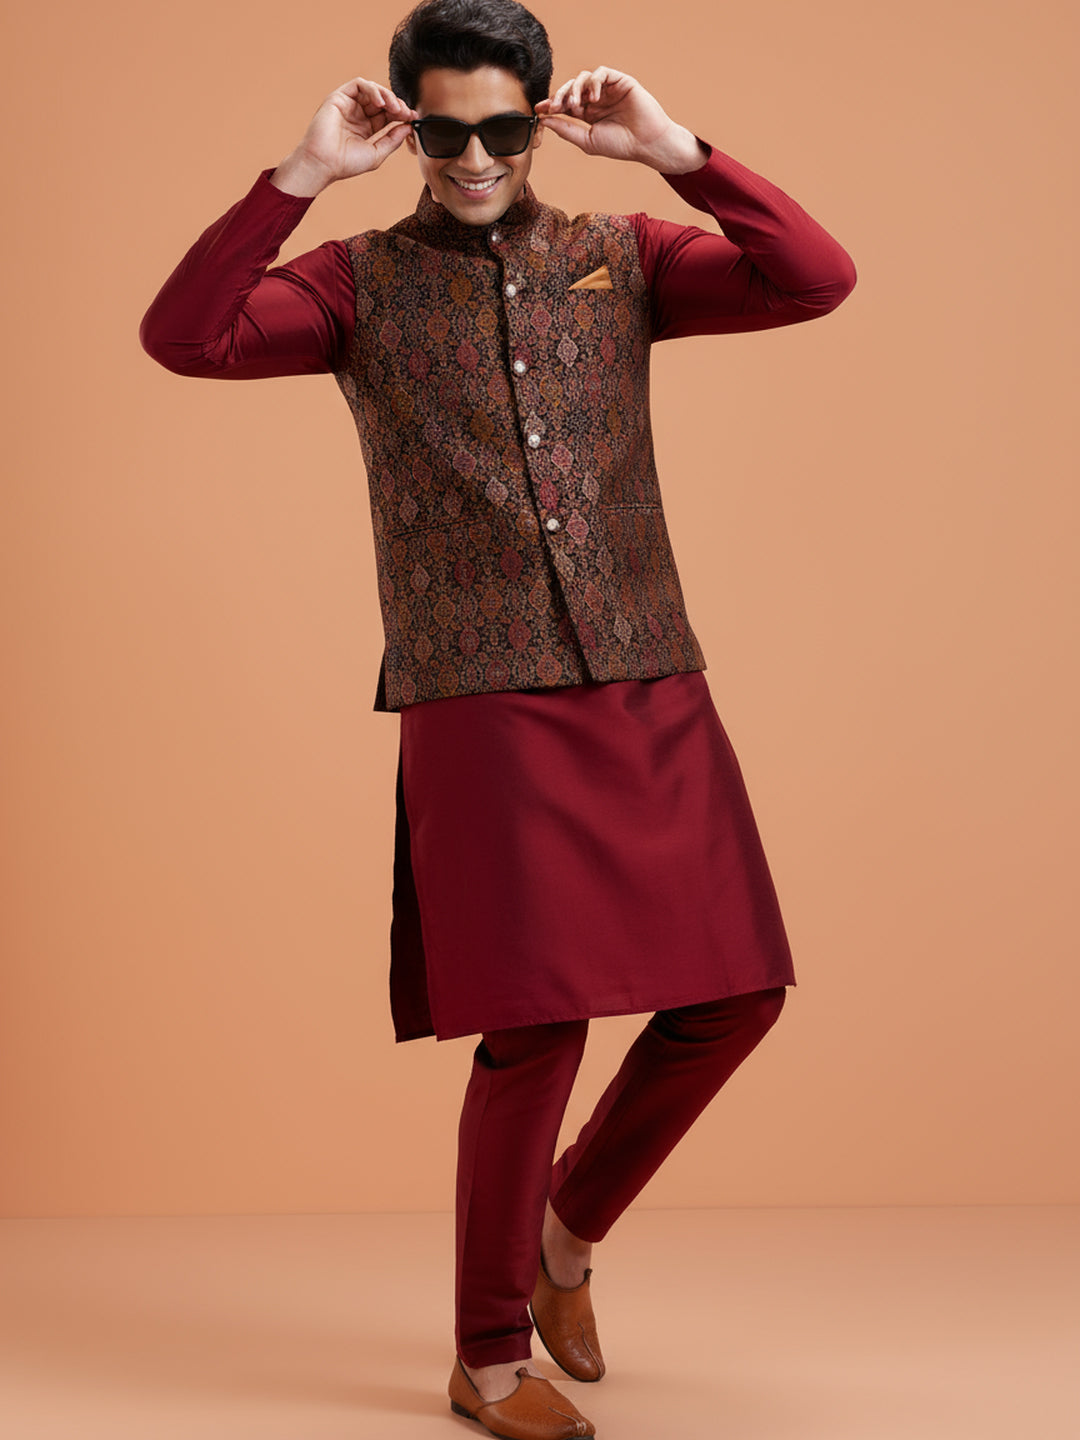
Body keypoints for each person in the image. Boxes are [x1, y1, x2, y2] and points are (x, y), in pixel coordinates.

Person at [139, 2, 856, 1435]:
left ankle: (563, 1234)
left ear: (537, 123)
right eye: (447, 131)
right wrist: (300, 176)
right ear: (410, 127)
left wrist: (674, 151)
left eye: (503, 129)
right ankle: (485, 1360)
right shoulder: (355, 285)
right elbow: (188, 337)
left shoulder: (623, 256)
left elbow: (815, 277)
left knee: (737, 994)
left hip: (647, 671)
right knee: (537, 1027)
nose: (475, 158)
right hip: (481, 692)